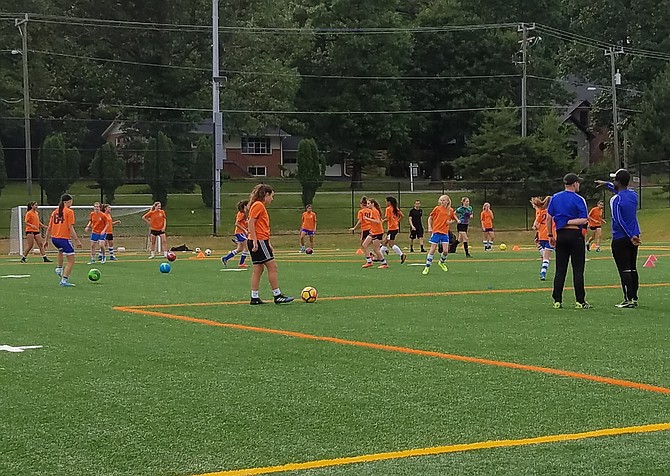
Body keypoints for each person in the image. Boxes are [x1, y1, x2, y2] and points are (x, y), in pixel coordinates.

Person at [596, 169, 641, 308]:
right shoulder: (633, 195)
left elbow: (619, 219)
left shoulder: (615, 200)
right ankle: (634, 297)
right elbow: (621, 193)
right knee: (632, 268)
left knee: (624, 269)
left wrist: (629, 235)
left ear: (618, 182)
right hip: (634, 235)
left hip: (622, 237)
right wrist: (607, 184)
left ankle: (628, 299)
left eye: (614, 180)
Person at [546, 173, 590, 309]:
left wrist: (550, 234)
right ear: (574, 184)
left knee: (560, 269)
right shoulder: (579, 199)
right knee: (578, 269)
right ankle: (580, 301)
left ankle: (557, 300)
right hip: (575, 235)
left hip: (561, 235)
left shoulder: (555, 198)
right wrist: (569, 222)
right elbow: (584, 219)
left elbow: (549, 217)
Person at [247, 184, 293, 304]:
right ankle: (277, 295)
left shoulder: (257, 205)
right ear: (266, 195)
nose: (272, 199)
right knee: (272, 267)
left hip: (260, 240)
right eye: (272, 196)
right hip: (259, 240)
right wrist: (256, 241)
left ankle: (254, 297)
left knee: (258, 269)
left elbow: (260, 226)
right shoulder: (259, 205)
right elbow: (251, 223)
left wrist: (268, 243)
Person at [45, 193, 83, 287]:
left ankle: (59, 268)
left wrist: (46, 240)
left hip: (54, 239)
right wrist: (77, 240)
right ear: (68, 201)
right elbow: (70, 227)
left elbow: (49, 227)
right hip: (63, 238)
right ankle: (64, 280)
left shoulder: (55, 212)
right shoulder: (69, 212)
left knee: (61, 250)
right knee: (71, 260)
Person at [422, 195, 454, 275]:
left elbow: (453, 218)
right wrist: (430, 227)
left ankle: (441, 262)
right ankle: (427, 267)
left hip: (445, 232)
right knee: (432, 250)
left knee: (446, 251)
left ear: (447, 201)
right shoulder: (437, 208)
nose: (442, 202)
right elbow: (430, 217)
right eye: (441, 200)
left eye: (444, 200)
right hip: (436, 231)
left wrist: (450, 222)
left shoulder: (450, 210)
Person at [360, 199, 389, 269]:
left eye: (369, 203)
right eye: (367, 204)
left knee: (376, 249)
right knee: (364, 244)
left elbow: (378, 221)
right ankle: (369, 262)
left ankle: (384, 263)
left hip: (378, 232)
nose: (367, 205)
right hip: (373, 231)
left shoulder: (375, 211)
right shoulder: (372, 211)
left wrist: (367, 219)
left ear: (372, 204)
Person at [530, 196, 554, 281]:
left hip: (542, 236)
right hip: (551, 236)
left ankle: (543, 258)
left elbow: (535, 225)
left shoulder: (541, 212)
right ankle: (543, 272)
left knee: (545, 255)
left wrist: (536, 227)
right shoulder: (554, 212)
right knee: (546, 258)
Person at [222, 200, 250, 268]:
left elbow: (244, 223)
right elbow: (237, 223)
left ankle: (225, 258)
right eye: (248, 205)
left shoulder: (245, 214)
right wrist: (244, 230)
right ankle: (241, 263)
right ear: (245, 206)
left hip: (242, 232)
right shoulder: (241, 214)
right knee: (246, 248)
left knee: (240, 249)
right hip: (240, 232)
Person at [380, 196, 406, 263]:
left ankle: (402, 255)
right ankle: (380, 257)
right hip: (395, 228)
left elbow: (387, 218)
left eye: (386, 201)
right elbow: (402, 215)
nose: (385, 203)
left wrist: (382, 221)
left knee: (390, 244)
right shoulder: (395, 208)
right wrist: (397, 221)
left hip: (392, 228)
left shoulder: (388, 209)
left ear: (389, 202)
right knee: (384, 242)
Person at [349, 196, 372, 262]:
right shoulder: (370, 210)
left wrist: (354, 228)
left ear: (361, 204)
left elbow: (360, 220)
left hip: (365, 228)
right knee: (370, 241)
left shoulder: (361, 211)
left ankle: (369, 257)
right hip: (371, 227)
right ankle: (372, 254)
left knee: (363, 243)